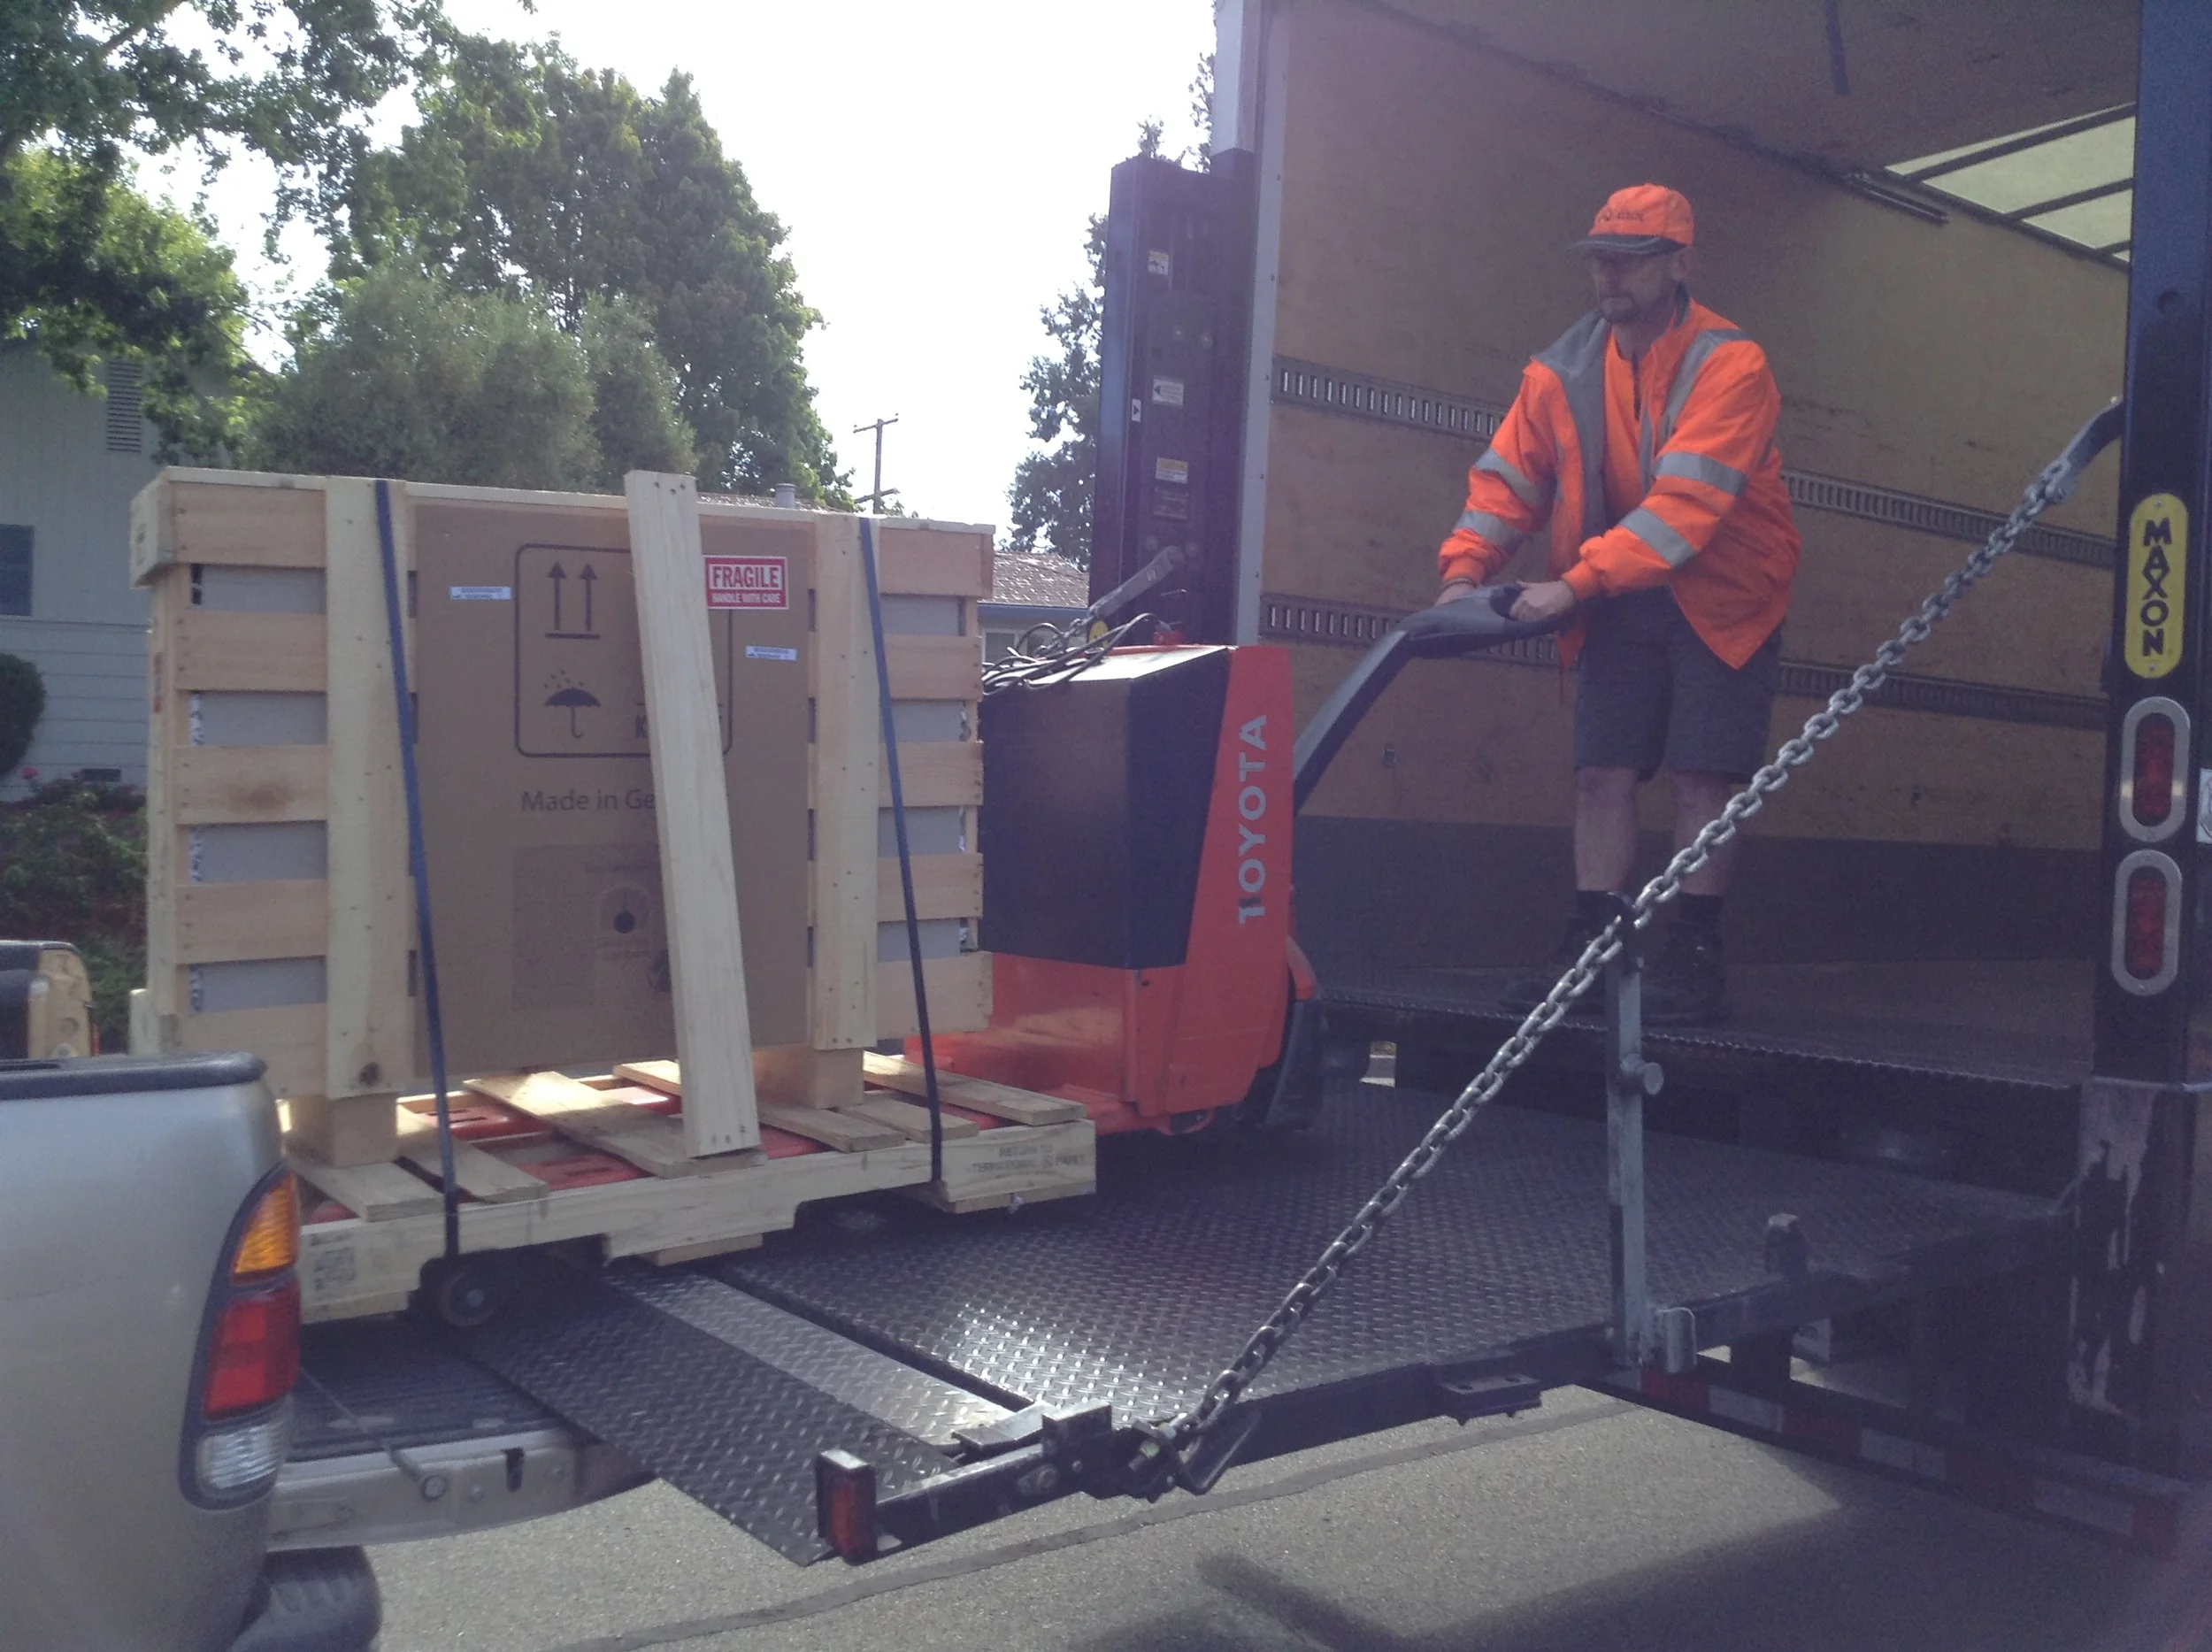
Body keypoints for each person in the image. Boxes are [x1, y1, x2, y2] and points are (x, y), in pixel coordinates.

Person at [1433, 184, 1801, 1025]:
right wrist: (1463, 573)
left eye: (1632, 259)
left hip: (1724, 593)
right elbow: (1506, 484)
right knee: (1600, 772)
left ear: (1679, 265)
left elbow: (1684, 511)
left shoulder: (1730, 364)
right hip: (1617, 586)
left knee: (1702, 774)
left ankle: (1695, 953)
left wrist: (1572, 585)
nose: (1611, 275)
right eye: (1601, 257)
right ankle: (1593, 946)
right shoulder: (1559, 372)